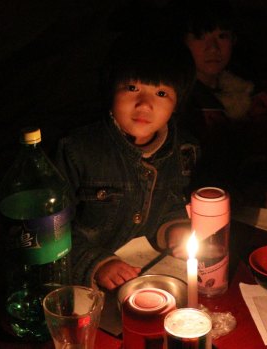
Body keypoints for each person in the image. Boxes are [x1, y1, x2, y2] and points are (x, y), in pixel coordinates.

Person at [55, 32, 198, 290]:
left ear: (177, 104)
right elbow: (50, 226)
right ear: (111, 89)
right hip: (82, 281)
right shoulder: (78, 149)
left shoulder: (183, 149)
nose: (144, 104)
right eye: (132, 88)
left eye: (162, 93)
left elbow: (173, 198)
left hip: (146, 273)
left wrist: (175, 228)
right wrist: (96, 263)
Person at [171, 0, 267, 209]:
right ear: (182, 42)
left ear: (233, 40)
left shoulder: (247, 93)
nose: (213, 48)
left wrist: (262, 179)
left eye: (222, 36)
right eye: (200, 37)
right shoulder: (177, 102)